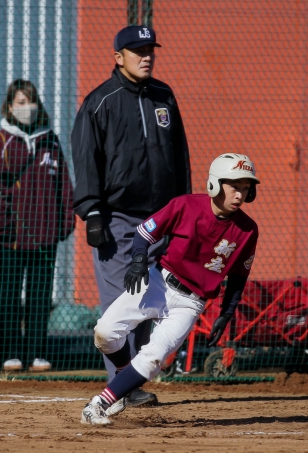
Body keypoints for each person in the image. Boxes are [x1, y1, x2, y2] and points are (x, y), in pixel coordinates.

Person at [80, 153, 260, 425]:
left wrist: (227, 313)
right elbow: (144, 232)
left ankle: (98, 405)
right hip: (159, 282)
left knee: (153, 359)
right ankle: (122, 378)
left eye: (246, 189)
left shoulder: (247, 230)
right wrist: (139, 261)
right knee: (105, 332)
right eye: (235, 186)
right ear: (215, 184)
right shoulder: (186, 205)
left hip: (190, 303)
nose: (240, 195)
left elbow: (238, 278)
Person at [71, 25, 192, 405]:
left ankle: (130, 382)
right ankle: (123, 385)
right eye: (138, 51)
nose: (147, 56)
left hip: (161, 217)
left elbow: (180, 156)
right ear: (118, 57)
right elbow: (85, 158)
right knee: (122, 302)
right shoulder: (100, 101)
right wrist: (92, 211)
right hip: (117, 218)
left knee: (147, 301)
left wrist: (183, 210)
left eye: (150, 50)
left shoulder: (163, 95)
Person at [0, 79, 75, 372]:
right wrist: (1, 226)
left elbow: (64, 186)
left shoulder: (51, 141)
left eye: (31, 101)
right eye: (21, 103)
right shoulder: (0, 141)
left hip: (44, 235)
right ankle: (8, 352)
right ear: (10, 107)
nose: (27, 108)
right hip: (9, 237)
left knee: (39, 295)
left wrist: (64, 222)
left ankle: (37, 352)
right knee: (8, 294)